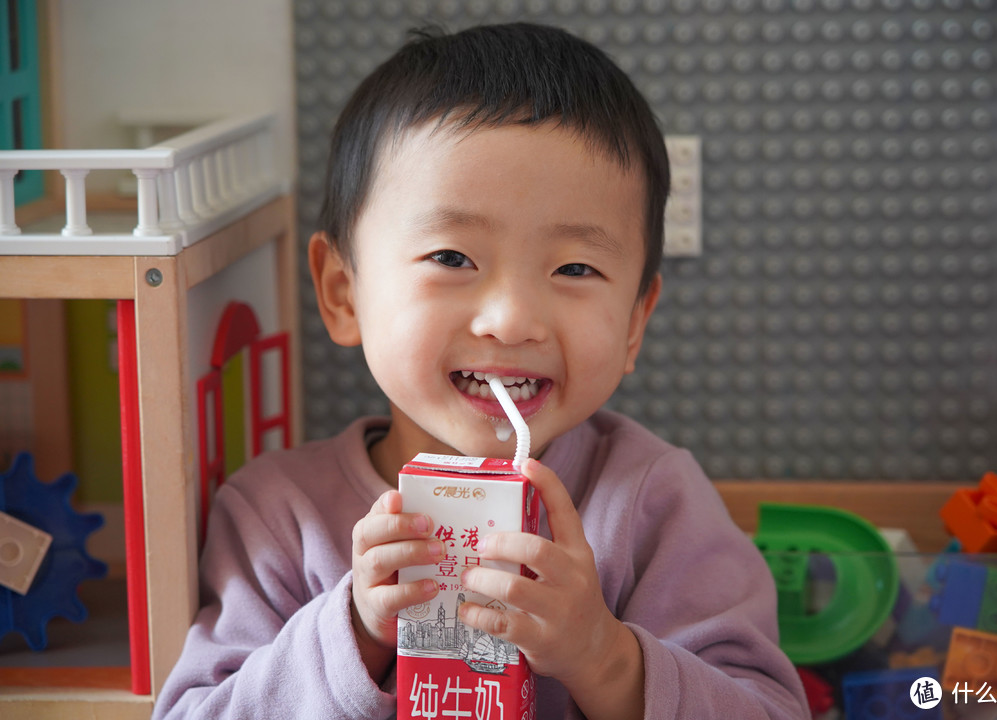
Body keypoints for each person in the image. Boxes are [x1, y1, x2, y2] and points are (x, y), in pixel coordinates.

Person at [154, 22, 810, 720]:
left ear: (634, 324)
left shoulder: (654, 503)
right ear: (344, 293)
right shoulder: (277, 516)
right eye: (451, 258)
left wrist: (604, 656)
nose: (510, 319)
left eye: (574, 268)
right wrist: (356, 632)